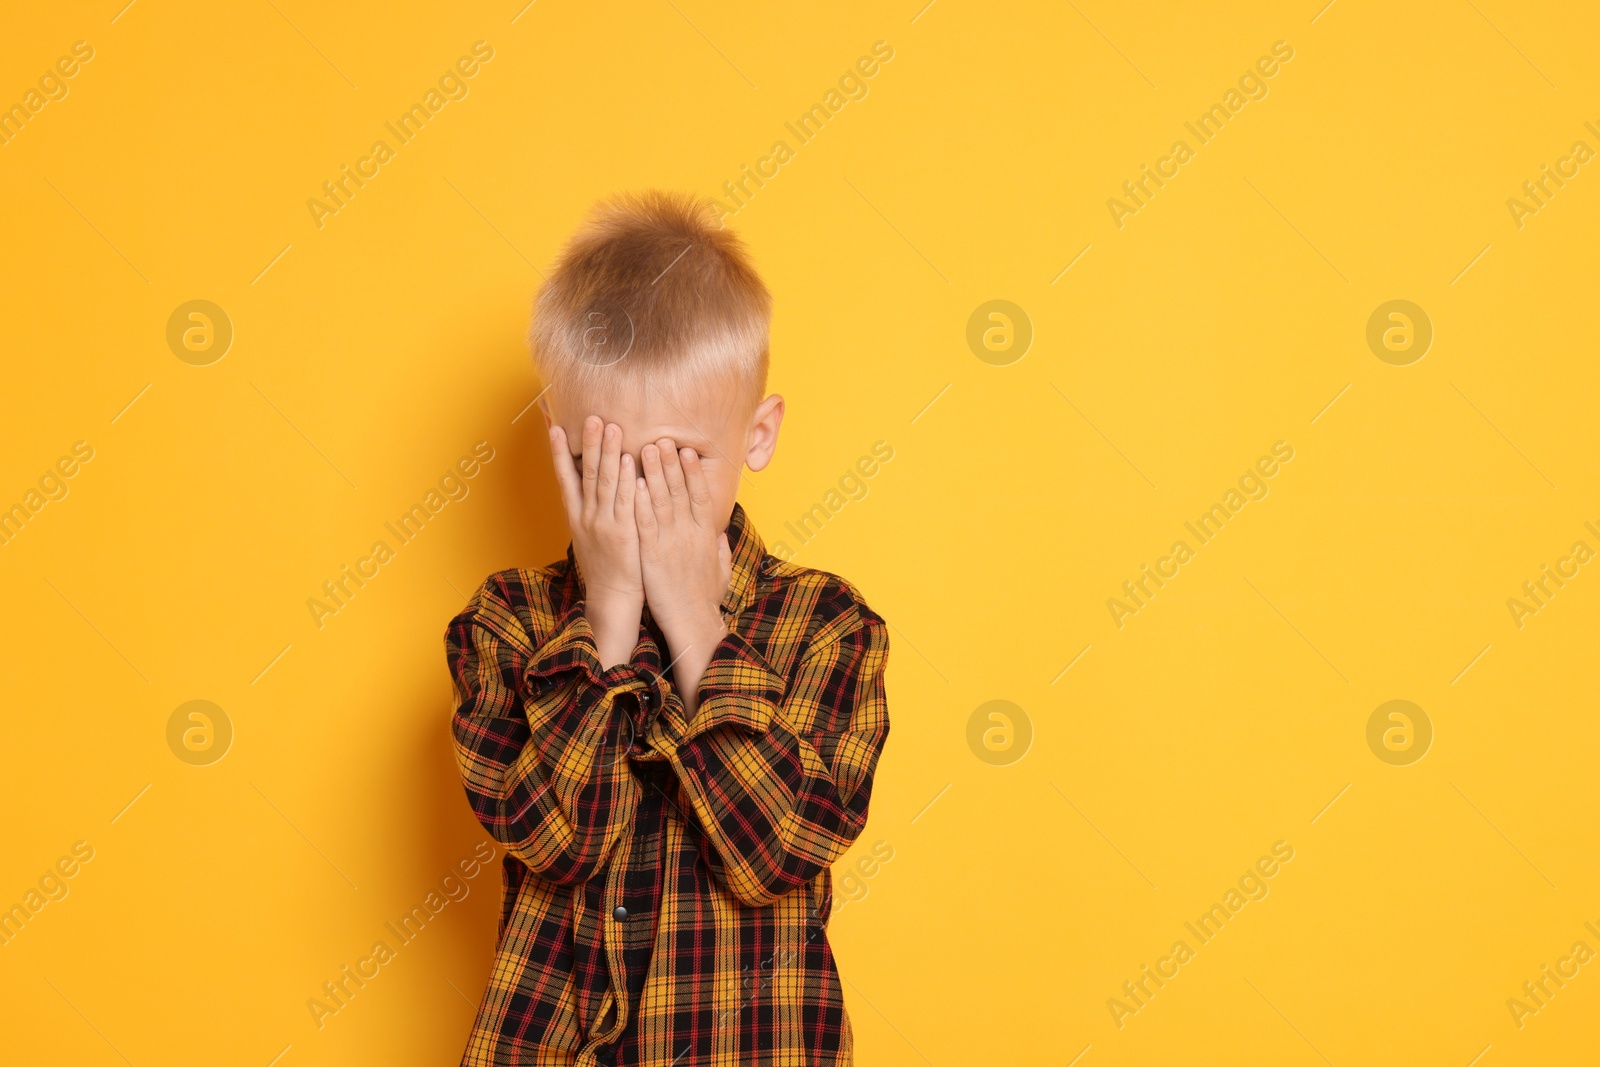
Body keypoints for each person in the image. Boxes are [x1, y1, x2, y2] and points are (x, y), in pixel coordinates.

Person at [444, 190, 891, 1066]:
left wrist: (694, 622)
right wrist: (607, 620)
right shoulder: (506, 622)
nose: (643, 502)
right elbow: (553, 839)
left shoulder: (825, 626)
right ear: (560, 449)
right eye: (604, 464)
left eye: (679, 464)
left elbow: (782, 848)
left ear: (756, 437)